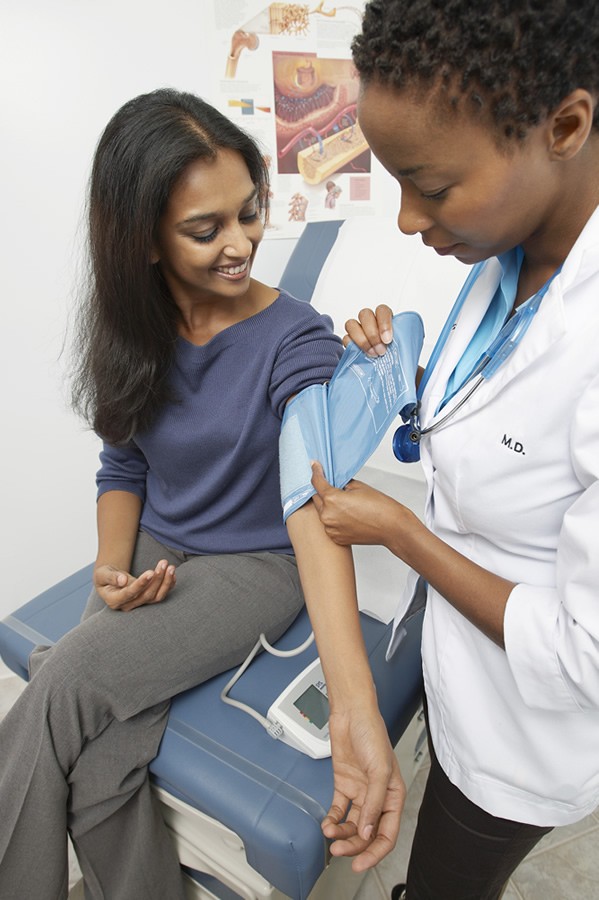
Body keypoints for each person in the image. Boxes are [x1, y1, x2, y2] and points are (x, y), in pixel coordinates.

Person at [0, 88, 351, 900]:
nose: (242, 244)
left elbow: (319, 478)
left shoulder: (296, 337)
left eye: (249, 212)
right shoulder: (135, 325)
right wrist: (110, 571)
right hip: (159, 545)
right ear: (146, 241)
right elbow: (124, 467)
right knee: (101, 764)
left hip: (254, 564)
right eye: (206, 229)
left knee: (65, 681)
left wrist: (357, 373)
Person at [294, 2, 599, 898]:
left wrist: (398, 532)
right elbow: (493, 420)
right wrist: (403, 373)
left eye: (428, 184)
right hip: (452, 657)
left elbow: (583, 654)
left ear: (565, 125)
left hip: (523, 735)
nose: (402, 219)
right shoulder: (507, 255)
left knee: (450, 874)